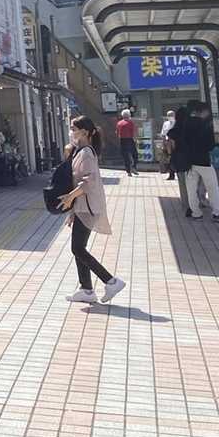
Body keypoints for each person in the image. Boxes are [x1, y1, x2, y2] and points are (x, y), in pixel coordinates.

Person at [58, 115, 126, 304]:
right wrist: (73, 209)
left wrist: (70, 197)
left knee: (78, 248)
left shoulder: (86, 153)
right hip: (83, 206)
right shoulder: (81, 151)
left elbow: (87, 182)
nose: (71, 132)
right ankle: (86, 289)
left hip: (87, 206)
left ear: (85, 132)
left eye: (74, 129)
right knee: (78, 248)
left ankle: (111, 281)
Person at [177, 100, 219, 221]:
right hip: (203, 160)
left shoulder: (186, 123)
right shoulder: (205, 124)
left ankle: (196, 213)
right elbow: (210, 144)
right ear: (203, 111)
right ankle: (217, 212)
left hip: (189, 161)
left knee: (191, 188)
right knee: (212, 186)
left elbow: (183, 141)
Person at [115, 108, 138, 176]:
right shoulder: (130, 122)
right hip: (130, 140)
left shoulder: (119, 123)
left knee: (126, 156)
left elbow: (117, 133)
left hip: (122, 140)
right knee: (135, 154)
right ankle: (133, 167)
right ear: (129, 115)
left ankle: (128, 171)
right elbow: (134, 132)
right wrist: (135, 140)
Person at [159, 108, 178, 181]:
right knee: (168, 159)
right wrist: (163, 143)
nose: (170, 116)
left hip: (175, 142)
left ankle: (178, 172)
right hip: (167, 143)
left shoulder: (177, 122)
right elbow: (163, 134)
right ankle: (171, 174)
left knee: (175, 158)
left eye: (171, 115)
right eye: (168, 115)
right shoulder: (166, 123)